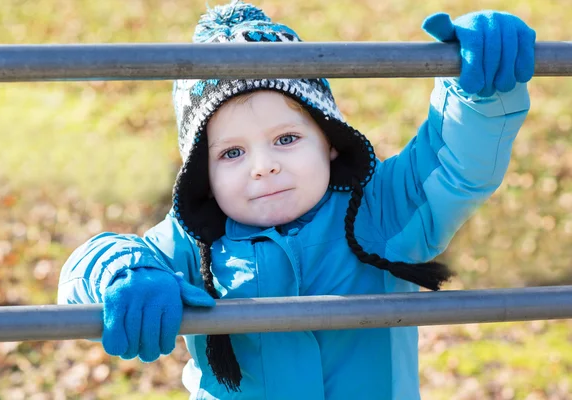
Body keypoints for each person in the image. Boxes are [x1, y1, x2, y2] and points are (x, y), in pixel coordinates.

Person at [57, 2, 536, 399]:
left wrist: (483, 93)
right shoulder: (193, 242)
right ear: (203, 172)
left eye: (285, 139)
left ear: (328, 139)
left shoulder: (381, 211)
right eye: (232, 152)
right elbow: (87, 268)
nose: (261, 166)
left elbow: (455, 163)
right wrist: (124, 274)